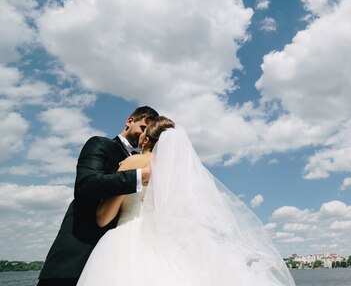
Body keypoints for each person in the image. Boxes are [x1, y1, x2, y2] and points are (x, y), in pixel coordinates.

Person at [77, 116, 295, 286]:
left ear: (145, 140)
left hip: (126, 240)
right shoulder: (181, 176)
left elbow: (103, 218)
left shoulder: (132, 162)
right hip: (166, 245)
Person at [38, 106, 159, 286]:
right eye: (142, 127)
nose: (143, 134)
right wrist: (138, 176)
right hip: (76, 257)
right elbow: (86, 185)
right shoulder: (100, 144)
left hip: (119, 261)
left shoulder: (152, 163)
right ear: (129, 121)